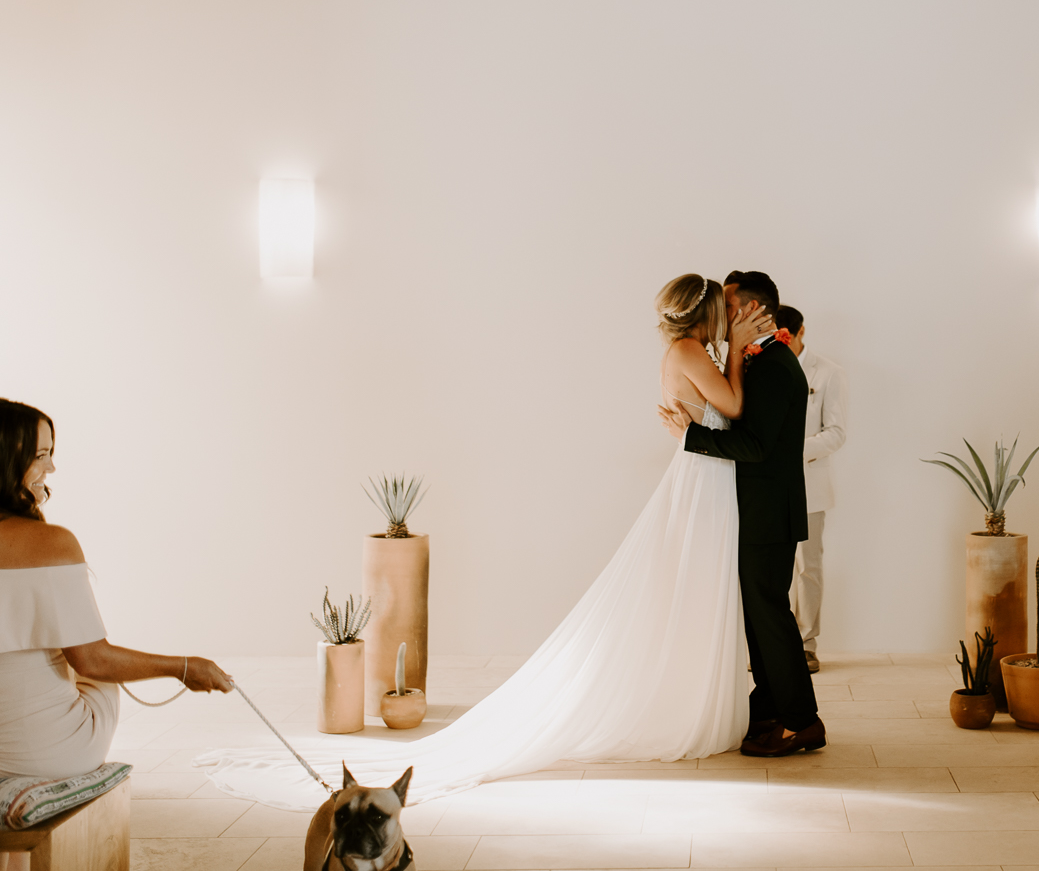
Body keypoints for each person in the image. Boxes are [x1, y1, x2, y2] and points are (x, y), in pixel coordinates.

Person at [199, 274, 772, 809]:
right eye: (722, 310)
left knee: (697, 587)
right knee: (694, 584)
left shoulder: (691, 352)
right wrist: (740, 355)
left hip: (708, 476)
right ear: (705, 314)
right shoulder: (690, 353)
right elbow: (733, 406)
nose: (729, 317)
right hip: (704, 481)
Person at [0, 399, 231, 780]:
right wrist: (184, 668)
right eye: (41, 456)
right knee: (97, 679)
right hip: (48, 756)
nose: (51, 468)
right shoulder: (54, 543)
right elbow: (94, 662)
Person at [661, 271, 822, 756]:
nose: (721, 315)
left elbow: (754, 446)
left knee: (769, 617)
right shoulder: (760, 359)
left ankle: (801, 722)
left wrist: (691, 436)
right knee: (758, 618)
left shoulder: (773, 365)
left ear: (753, 310)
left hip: (768, 513)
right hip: (756, 510)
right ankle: (769, 709)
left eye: (728, 307)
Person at [771, 304, 848, 675]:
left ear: (801, 332)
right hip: (766, 484)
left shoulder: (829, 373)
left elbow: (836, 433)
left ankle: (805, 645)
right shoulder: (761, 366)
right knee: (770, 568)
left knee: (807, 567)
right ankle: (772, 645)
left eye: (786, 338)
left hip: (809, 484)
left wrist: (790, 451)